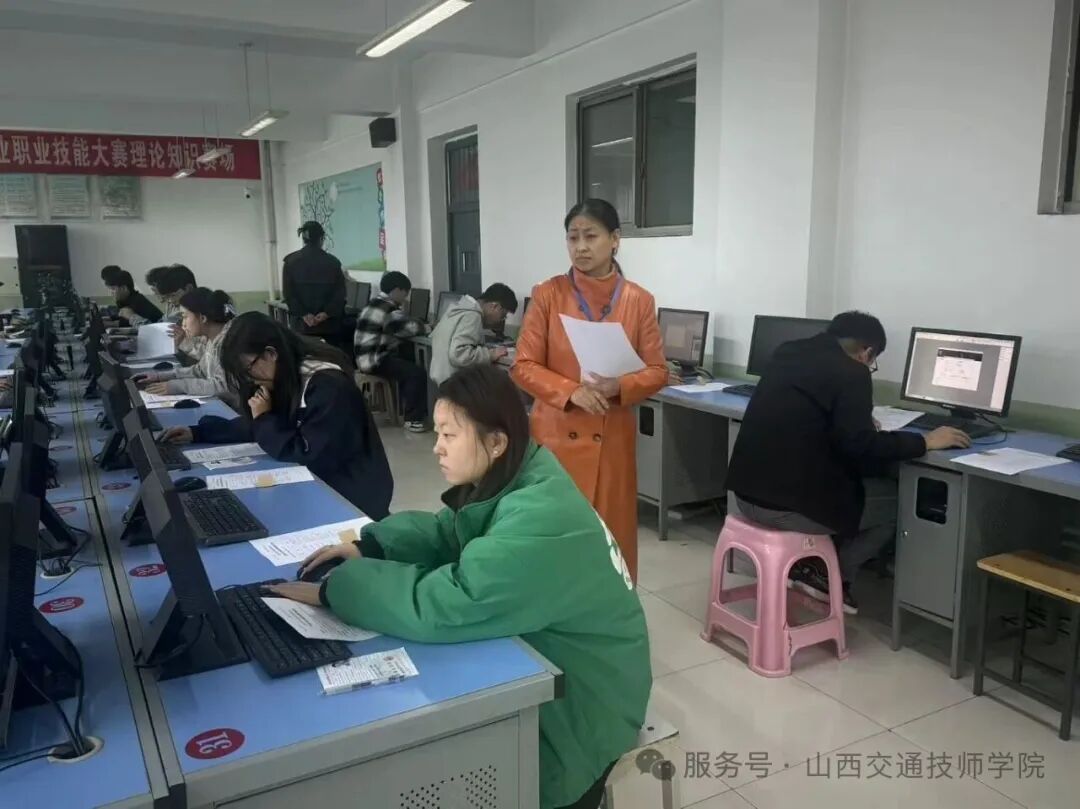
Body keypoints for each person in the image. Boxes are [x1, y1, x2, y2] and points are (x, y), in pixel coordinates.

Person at [265, 365, 650, 809]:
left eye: (449, 435)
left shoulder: (539, 518)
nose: (437, 447)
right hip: (568, 665)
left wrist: (337, 589)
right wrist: (370, 546)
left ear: (496, 442)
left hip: (587, 709)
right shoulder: (516, 472)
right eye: (437, 433)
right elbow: (449, 530)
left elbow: (447, 602)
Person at [725, 311, 973, 614]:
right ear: (866, 353)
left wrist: (855, 419)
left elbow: (810, 414)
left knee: (849, 487)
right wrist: (925, 442)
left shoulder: (787, 352)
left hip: (745, 495)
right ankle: (831, 578)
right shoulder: (852, 372)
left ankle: (811, 565)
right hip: (785, 510)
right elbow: (859, 445)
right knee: (896, 503)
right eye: (872, 362)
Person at [511, 199, 667, 582]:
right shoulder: (548, 294)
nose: (580, 247)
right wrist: (570, 391)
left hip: (611, 441)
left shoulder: (638, 300)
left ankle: (611, 609)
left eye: (590, 236)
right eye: (572, 237)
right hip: (556, 438)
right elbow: (523, 365)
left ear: (615, 240)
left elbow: (658, 371)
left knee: (609, 542)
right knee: (555, 539)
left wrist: (621, 385)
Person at [160, 312, 393, 520]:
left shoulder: (327, 385)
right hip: (318, 483)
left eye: (247, 369)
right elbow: (256, 424)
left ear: (270, 354)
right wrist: (198, 433)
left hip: (350, 496)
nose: (249, 379)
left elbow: (306, 452)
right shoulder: (285, 375)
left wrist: (264, 419)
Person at [354, 271, 430, 433]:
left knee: (406, 359)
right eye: (405, 293)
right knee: (415, 373)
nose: (406, 298)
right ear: (396, 290)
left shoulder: (374, 303)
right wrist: (428, 326)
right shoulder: (389, 309)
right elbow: (410, 328)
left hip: (363, 358)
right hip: (374, 360)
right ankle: (413, 420)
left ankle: (406, 409)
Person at [134, 288, 236, 405]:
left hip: (234, 410)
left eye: (185, 316)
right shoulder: (213, 339)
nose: (183, 323)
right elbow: (200, 370)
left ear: (203, 318)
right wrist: (160, 376)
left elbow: (222, 387)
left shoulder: (229, 343)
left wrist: (177, 386)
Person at [429, 283, 518, 385]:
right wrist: (491, 354)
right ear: (495, 306)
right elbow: (459, 354)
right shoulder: (472, 315)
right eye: (503, 316)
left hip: (443, 377)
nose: (500, 320)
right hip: (454, 382)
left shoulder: (461, 308)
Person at [282, 221, 346, 347]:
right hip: (329, 327)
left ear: (304, 239)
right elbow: (340, 294)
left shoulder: (290, 261)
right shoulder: (333, 262)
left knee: (304, 357)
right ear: (321, 238)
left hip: (302, 327)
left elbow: (288, 294)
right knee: (331, 357)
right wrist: (326, 313)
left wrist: (304, 314)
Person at [154, 264, 205, 364]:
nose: (170, 301)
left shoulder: (203, 313)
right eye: (167, 297)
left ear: (189, 288)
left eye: (173, 295)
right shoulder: (182, 311)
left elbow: (206, 361)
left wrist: (183, 343)